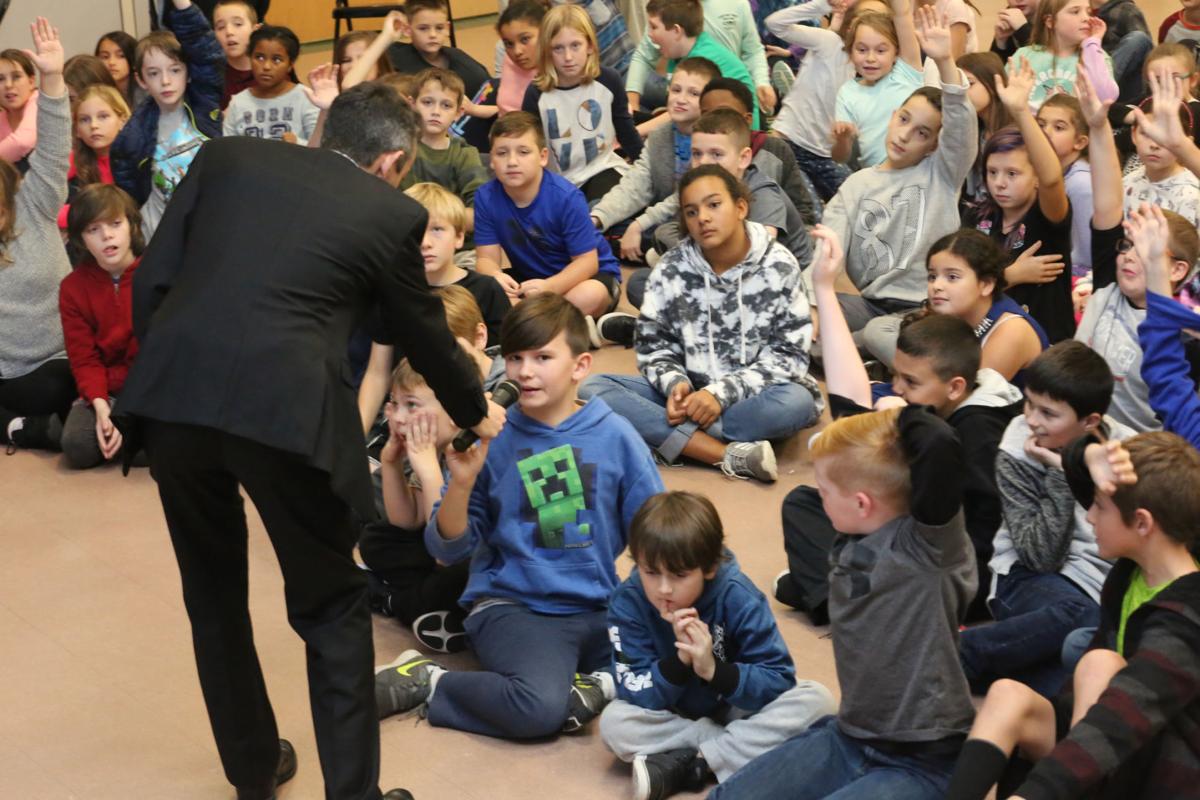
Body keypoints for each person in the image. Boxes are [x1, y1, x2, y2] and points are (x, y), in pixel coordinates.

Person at [115, 81, 503, 800]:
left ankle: (254, 773)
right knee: (330, 609)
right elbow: (424, 329)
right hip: (287, 417)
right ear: (392, 162)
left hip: (173, 399)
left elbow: (152, 281)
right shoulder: (392, 213)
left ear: (325, 129)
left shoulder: (225, 157)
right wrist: (476, 411)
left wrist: (172, 377)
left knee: (213, 595)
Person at [374, 294, 665, 739]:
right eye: (514, 358)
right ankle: (429, 681)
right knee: (537, 709)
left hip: (598, 604)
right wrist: (464, 482)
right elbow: (446, 548)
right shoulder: (493, 438)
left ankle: (595, 684)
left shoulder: (616, 435)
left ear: (581, 366)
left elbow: (657, 526)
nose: (525, 371)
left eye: (543, 357)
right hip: (517, 607)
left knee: (685, 664)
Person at [712, 403, 978, 799]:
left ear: (861, 503)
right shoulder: (853, 533)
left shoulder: (927, 548)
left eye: (824, 490)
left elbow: (940, 443)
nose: (816, 495)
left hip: (923, 759)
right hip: (851, 734)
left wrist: (902, 414)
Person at [777, 225, 1023, 627]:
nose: (898, 388)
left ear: (955, 387)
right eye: (932, 276)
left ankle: (835, 596)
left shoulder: (979, 427)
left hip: (963, 570)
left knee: (839, 524)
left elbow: (974, 534)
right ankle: (831, 593)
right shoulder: (941, 385)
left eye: (910, 383)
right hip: (921, 541)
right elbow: (854, 408)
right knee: (808, 501)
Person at [944, 432, 1200, 800]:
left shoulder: (1188, 615)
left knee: (1099, 663)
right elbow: (1103, 487)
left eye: (1098, 506)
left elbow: (1123, 717)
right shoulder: (1134, 565)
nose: (1090, 516)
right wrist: (1092, 455)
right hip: (1103, 738)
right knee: (1008, 694)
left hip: (1145, 753)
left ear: (1142, 523)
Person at [581, 164, 820, 483]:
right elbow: (655, 348)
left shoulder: (779, 265)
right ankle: (726, 454)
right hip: (691, 390)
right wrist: (675, 385)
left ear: (740, 207)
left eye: (713, 205)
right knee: (593, 388)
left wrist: (719, 395)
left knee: (796, 403)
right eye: (691, 212)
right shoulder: (670, 269)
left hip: (754, 395)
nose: (702, 218)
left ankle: (673, 440)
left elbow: (788, 356)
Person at [599, 491, 836, 800]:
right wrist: (678, 664)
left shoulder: (738, 595)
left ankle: (693, 762)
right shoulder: (627, 601)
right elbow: (633, 686)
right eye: (651, 572)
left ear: (709, 568)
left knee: (818, 702)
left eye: (680, 575)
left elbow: (778, 677)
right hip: (671, 712)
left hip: (736, 706)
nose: (664, 588)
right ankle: (723, 751)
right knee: (614, 724)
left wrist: (713, 670)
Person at [959, 341, 1135, 699]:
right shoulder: (1016, 445)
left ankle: (990, 674)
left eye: (1048, 413)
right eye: (1029, 404)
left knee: (1088, 684)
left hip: (1101, 586)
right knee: (1084, 617)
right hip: (1025, 578)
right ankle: (961, 653)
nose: (1032, 420)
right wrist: (1061, 474)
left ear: (1090, 422)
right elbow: (1040, 556)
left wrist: (1065, 463)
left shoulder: (1124, 449)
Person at [822, 6, 977, 345]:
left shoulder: (942, 174)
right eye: (904, 120)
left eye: (922, 133)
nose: (905, 135)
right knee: (811, 319)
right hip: (867, 303)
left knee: (880, 335)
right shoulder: (857, 183)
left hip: (925, 307)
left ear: (936, 146)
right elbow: (829, 249)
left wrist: (946, 61)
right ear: (893, 116)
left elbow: (961, 126)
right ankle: (867, 352)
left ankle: (868, 351)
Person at [1, 18, 74, 455]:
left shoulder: (36, 200)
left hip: (53, 364)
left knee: (54, 388)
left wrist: (51, 77)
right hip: (3, 374)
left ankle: (17, 424)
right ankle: (21, 429)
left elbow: (51, 145)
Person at [473, 112, 622, 318]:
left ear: (543, 157)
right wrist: (495, 275)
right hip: (530, 279)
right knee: (479, 290)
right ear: (491, 160)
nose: (512, 161)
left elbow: (587, 262)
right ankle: (560, 324)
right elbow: (485, 259)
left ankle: (533, 322)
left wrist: (550, 286)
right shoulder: (485, 196)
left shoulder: (566, 197)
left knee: (589, 295)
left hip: (585, 277)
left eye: (523, 152)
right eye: (502, 153)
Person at [969, 57, 1075, 344]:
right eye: (992, 172)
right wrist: (1010, 275)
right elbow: (963, 283)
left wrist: (1020, 111)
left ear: (1036, 176)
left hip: (1046, 346)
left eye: (1012, 173)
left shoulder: (1047, 217)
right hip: (983, 337)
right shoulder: (977, 217)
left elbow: (1052, 178)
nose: (999, 182)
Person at [110, 0, 224, 238]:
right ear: (141, 80)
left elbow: (206, 52)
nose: (165, 81)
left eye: (175, 70)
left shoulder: (204, 102)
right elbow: (130, 198)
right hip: (162, 234)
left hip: (212, 222)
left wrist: (183, 6)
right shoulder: (131, 138)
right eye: (153, 73)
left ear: (189, 73)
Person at [589, 56, 717, 260]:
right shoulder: (659, 135)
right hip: (659, 217)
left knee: (664, 234)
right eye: (676, 90)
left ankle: (654, 251)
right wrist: (597, 218)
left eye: (693, 94)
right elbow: (636, 184)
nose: (681, 99)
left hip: (696, 221)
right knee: (595, 209)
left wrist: (639, 225)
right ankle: (643, 250)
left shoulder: (710, 142)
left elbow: (685, 198)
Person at [58, 185, 143, 469]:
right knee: (77, 447)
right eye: (93, 229)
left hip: (148, 388)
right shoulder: (73, 288)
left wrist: (129, 413)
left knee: (151, 450)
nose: (107, 235)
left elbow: (161, 354)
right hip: (105, 389)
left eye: (115, 224)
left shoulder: (156, 273)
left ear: (132, 225)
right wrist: (101, 406)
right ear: (81, 240)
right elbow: (84, 357)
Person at [522, 4, 641, 202]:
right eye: (558, 48)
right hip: (557, 181)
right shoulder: (536, 94)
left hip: (602, 169)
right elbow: (528, 146)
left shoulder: (608, 81)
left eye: (575, 45)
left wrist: (647, 173)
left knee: (602, 208)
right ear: (548, 52)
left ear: (590, 46)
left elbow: (627, 134)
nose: (568, 57)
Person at [765, 0, 872, 200]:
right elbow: (774, 23)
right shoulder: (830, 42)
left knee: (858, 202)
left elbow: (842, 154)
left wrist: (844, 138)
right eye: (863, 21)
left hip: (822, 155)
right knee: (809, 213)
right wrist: (823, 6)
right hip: (788, 144)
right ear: (851, 25)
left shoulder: (870, 77)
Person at [624, 0, 770, 119]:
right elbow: (643, 55)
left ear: (676, 31)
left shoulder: (736, 5)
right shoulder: (669, 15)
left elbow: (754, 51)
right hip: (696, 106)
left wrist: (762, 81)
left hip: (729, 127)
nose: (650, 34)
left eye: (654, 28)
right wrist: (632, 108)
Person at [831, 0, 924, 168]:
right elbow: (840, 157)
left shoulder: (906, 73)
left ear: (896, 52)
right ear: (851, 52)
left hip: (914, 173)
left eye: (881, 51)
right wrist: (843, 139)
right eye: (862, 49)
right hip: (876, 177)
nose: (870, 58)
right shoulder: (847, 92)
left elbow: (902, 15)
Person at [398, 68, 487, 236]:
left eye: (446, 105)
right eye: (427, 102)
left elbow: (480, 214)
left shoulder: (465, 154)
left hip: (459, 248)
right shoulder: (400, 149)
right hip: (408, 241)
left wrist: (435, 223)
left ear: (458, 113)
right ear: (411, 104)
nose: (436, 111)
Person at [1035, 93, 1093, 308]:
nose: (1045, 132)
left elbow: (1086, 254)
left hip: (1076, 282)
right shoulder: (1037, 171)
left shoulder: (1081, 184)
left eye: (1058, 128)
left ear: (1080, 142)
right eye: (1040, 124)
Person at [1006, 0, 1113, 111]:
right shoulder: (1024, 56)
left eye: (1089, 12)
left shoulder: (1096, 56)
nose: (1086, 18)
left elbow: (1107, 98)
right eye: (1075, 12)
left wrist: (1093, 45)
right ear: (1050, 21)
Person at [223, 25, 317, 144]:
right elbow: (227, 148)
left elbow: (321, 148)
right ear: (250, 58)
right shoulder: (238, 103)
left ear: (290, 64)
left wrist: (297, 142)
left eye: (277, 59)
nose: (266, 66)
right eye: (259, 57)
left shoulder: (306, 97)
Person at [387, 0, 489, 108]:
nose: (432, 34)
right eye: (423, 28)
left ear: (447, 29)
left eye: (439, 28)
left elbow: (488, 90)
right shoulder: (394, 57)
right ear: (407, 30)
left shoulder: (464, 64)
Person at [1090, 0, 1152, 103]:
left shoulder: (1126, 10)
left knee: (1139, 39)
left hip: (1122, 85)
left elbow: (1146, 51)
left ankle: (1103, 85)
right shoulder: (1080, 10)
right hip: (1089, 68)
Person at [213, 0, 261, 109]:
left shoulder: (272, 70)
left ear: (255, 30)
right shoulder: (213, 77)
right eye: (221, 27)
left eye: (238, 24)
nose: (229, 32)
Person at [0, 48, 38, 166]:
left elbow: (23, 142)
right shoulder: (2, 117)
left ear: (31, 82)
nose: (8, 85)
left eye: (16, 77)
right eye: (0, 79)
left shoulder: (41, 103)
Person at [96, 30, 145, 109]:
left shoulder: (145, 95)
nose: (111, 62)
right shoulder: (95, 93)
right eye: (105, 57)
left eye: (121, 56)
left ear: (133, 59)